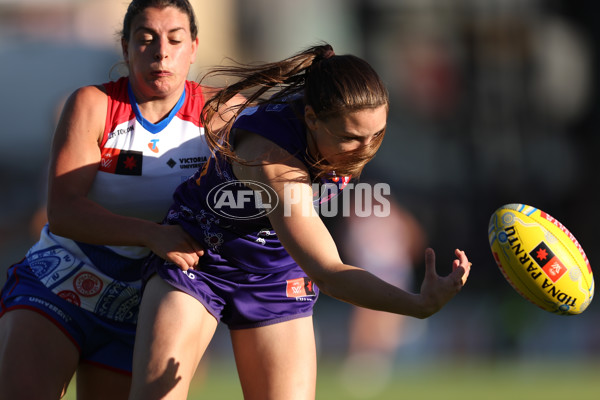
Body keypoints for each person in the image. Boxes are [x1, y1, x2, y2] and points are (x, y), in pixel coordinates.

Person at [129, 43, 472, 400]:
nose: (366, 150)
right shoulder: (274, 162)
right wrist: (416, 305)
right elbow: (326, 271)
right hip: (199, 259)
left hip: (277, 272)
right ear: (311, 119)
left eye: (377, 135)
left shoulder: (348, 132)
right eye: (351, 138)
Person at [0, 1, 242, 399]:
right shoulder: (92, 104)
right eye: (145, 39)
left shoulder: (218, 113)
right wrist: (153, 235)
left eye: (175, 39)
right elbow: (63, 212)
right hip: (63, 276)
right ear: (126, 48)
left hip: (140, 298)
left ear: (194, 47)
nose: (161, 52)